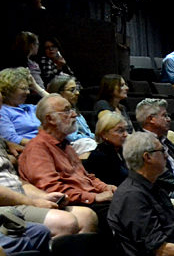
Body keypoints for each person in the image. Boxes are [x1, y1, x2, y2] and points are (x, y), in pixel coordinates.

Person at [19, 94, 116, 233]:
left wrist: (106, 187)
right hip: (74, 204)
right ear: (50, 119)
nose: (74, 114)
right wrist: (94, 197)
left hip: (88, 199)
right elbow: (52, 190)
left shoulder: (67, 146)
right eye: (67, 110)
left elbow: (87, 177)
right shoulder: (37, 148)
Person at [0, 136, 97, 236]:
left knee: (86, 216)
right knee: (65, 221)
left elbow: (17, 183)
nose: (73, 119)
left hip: (19, 199)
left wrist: (43, 197)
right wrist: (34, 203)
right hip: (6, 205)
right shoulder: (37, 147)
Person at [47, 76, 95, 156]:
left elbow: (88, 132)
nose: (77, 93)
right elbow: (72, 137)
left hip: (85, 144)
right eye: (72, 90)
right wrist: (91, 138)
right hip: (69, 147)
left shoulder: (75, 110)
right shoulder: (56, 113)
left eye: (77, 89)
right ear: (59, 93)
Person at [83, 113, 129, 187]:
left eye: (126, 130)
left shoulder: (122, 151)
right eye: (120, 131)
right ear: (104, 134)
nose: (125, 134)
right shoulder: (99, 157)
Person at [0, 68, 40, 146]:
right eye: (23, 89)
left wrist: (37, 88)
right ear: (8, 90)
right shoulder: (3, 111)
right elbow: (11, 139)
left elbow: (59, 105)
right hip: (30, 149)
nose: (28, 92)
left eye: (28, 88)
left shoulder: (30, 107)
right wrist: (43, 145)